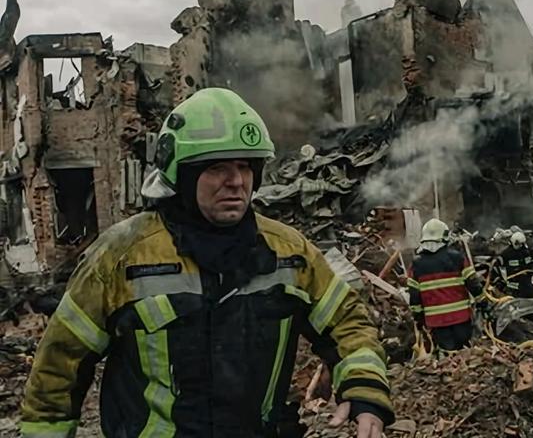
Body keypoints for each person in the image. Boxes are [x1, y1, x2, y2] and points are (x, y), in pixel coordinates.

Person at [20, 88, 393, 438]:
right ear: (181, 175)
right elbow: (60, 366)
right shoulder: (122, 256)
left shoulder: (289, 253)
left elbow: (347, 322)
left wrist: (365, 389)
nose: (236, 182)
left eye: (245, 167)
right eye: (216, 168)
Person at [407, 219, 484, 351]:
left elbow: (414, 297)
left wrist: (419, 318)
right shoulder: (457, 258)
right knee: (465, 354)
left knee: (447, 358)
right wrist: (483, 303)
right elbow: (473, 284)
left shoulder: (416, 265)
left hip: (436, 323)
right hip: (461, 318)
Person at [498, 231, 533, 298]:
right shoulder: (506, 254)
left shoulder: (528, 252)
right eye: (517, 244)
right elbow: (500, 268)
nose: (519, 246)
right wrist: (503, 280)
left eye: (521, 244)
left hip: (528, 283)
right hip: (513, 285)